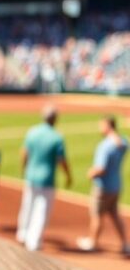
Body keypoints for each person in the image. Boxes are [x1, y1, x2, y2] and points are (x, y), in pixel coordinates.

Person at [16, 105, 72, 251]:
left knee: (27, 205)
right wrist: (68, 176)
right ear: (55, 119)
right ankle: (33, 241)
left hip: (31, 176)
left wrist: (23, 169)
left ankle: (22, 234)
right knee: (41, 211)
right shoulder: (56, 137)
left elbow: (24, 153)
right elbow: (62, 160)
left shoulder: (32, 132)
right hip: (47, 179)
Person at [77, 116, 129, 255]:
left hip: (103, 186)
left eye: (102, 125)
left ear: (108, 126)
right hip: (116, 185)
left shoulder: (105, 146)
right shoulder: (121, 142)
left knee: (97, 215)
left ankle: (93, 242)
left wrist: (91, 173)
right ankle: (125, 244)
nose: (100, 128)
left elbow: (101, 168)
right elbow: (124, 144)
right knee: (114, 214)